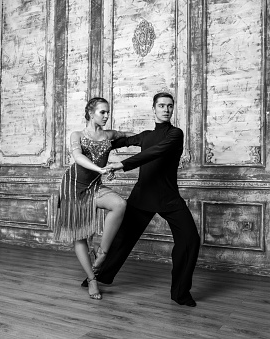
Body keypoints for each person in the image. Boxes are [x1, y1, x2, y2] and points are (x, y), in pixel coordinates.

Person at [85, 92, 201, 307]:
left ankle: (180, 293)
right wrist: (94, 138)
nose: (166, 109)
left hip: (168, 197)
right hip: (143, 195)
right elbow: (118, 141)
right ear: (154, 108)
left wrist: (122, 164)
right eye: (161, 105)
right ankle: (98, 276)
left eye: (169, 106)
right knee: (121, 240)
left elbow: (155, 152)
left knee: (190, 240)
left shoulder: (175, 134)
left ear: (173, 109)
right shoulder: (146, 135)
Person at [53, 97, 134, 300]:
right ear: (90, 113)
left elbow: (133, 136)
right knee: (80, 236)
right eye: (102, 112)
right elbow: (78, 157)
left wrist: (156, 138)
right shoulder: (77, 135)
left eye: (108, 112)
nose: (107, 116)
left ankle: (102, 255)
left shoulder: (109, 135)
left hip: (94, 186)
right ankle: (91, 279)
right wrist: (100, 169)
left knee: (119, 204)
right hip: (73, 187)